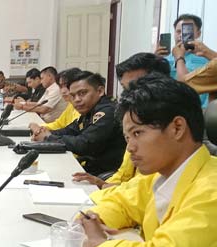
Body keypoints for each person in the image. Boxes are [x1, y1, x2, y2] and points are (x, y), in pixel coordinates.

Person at [79, 74, 217, 247]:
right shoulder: (160, 176)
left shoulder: (211, 189)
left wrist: (101, 245)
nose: (130, 148)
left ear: (178, 127)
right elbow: (118, 202)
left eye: (138, 133)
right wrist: (94, 219)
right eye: (127, 137)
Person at [72, 53, 170, 193]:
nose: (129, 96)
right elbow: (126, 181)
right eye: (126, 89)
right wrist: (102, 185)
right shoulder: (134, 126)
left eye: (137, 88)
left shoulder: (161, 131)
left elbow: (138, 197)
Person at [33, 71, 125, 175]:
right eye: (73, 95)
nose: (77, 100)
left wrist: (48, 137)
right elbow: (70, 130)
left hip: (106, 175)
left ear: (100, 91)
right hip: (91, 168)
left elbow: (84, 144)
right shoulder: (90, 110)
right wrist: (44, 132)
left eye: (82, 93)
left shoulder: (107, 112)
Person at [157, 14, 209, 107]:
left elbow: (187, 85)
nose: (181, 35)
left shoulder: (206, 59)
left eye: (187, 31)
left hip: (196, 109)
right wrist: (153, 60)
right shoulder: (162, 59)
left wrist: (179, 58)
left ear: (198, 34)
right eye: (178, 31)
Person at [29, 68, 82, 137]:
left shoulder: (82, 107)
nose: (63, 91)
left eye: (66, 86)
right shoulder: (71, 104)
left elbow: (73, 134)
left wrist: (46, 135)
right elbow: (59, 124)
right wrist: (40, 128)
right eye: (60, 87)